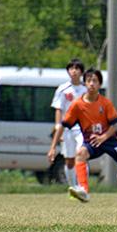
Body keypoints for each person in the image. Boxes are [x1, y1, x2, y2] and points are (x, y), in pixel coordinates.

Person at [49, 68, 117, 203]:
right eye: (89, 81)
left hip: (110, 141)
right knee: (80, 154)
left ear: (100, 84)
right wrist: (53, 147)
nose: (91, 84)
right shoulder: (77, 105)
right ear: (84, 83)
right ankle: (84, 191)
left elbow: (114, 126)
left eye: (95, 81)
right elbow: (63, 125)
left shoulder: (105, 103)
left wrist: (103, 137)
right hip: (92, 142)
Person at [47, 58, 87, 189]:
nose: (74, 71)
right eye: (71, 68)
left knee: (81, 154)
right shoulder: (63, 89)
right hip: (67, 129)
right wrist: (58, 127)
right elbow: (59, 108)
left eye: (77, 69)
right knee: (69, 161)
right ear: (68, 71)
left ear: (81, 72)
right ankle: (73, 188)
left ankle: (83, 187)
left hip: (82, 128)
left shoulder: (86, 89)